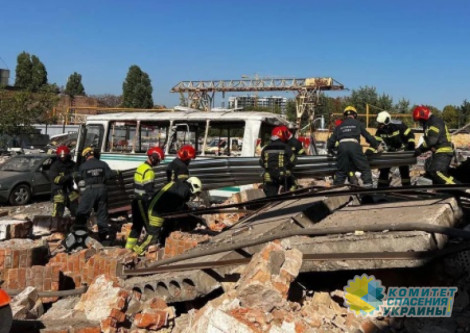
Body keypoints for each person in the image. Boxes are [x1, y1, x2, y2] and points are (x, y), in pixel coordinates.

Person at [132, 177, 203, 255]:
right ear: (194, 186)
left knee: (167, 225)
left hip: (154, 207)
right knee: (152, 235)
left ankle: (162, 242)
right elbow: (178, 204)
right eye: (194, 193)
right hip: (157, 211)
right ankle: (137, 252)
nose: (192, 195)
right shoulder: (185, 190)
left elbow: (173, 201)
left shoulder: (177, 184)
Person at [73, 147, 119, 246]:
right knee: (102, 214)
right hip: (102, 190)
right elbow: (110, 175)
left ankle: (78, 235)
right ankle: (104, 238)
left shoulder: (83, 166)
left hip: (90, 191)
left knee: (82, 212)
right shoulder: (103, 164)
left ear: (86, 156)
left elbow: (78, 178)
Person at [327, 106, 379, 187]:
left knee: (341, 172)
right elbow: (368, 136)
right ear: (355, 115)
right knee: (365, 168)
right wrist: (376, 145)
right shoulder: (358, 123)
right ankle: (368, 193)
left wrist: (330, 150)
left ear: (345, 115)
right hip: (354, 147)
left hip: (342, 147)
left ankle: (335, 193)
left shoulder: (339, 126)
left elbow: (331, 142)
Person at [125, 147, 164, 251]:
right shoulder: (149, 171)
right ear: (154, 158)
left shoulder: (140, 167)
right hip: (142, 202)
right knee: (149, 228)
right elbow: (149, 191)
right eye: (159, 160)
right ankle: (140, 250)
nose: (158, 162)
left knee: (136, 226)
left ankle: (128, 249)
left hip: (136, 201)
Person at [412, 105, 458, 185]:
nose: (420, 122)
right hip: (439, 152)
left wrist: (419, 149)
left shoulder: (434, 122)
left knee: (436, 172)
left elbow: (431, 141)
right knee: (435, 173)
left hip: (443, 152)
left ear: (424, 115)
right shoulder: (430, 123)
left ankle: (463, 189)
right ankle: (444, 191)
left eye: (420, 120)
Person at [375, 111, 415, 187]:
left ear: (386, 121)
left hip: (402, 150)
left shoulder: (399, 125)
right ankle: (381, 188)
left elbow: (410, 135)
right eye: (379, 124)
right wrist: (375, 149)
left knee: (404, 170)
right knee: (384, 169)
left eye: (381, 124)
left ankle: (406, 188)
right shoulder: (380, 130)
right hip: (390, 151)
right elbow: (376, 142)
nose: (379, 126)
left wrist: (410, 146)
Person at [259, 126, 297, 197]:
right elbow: (293, 160)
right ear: (281, 135)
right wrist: (287, 168)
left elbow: (261, 162)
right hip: (283, 175)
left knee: (271, 198)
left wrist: (269, 168)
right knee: (293, 185)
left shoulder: (266, 148)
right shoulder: (286, 147)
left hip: (269, 176)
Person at [49, 145, 79, 219]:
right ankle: (55, 226)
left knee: (76, 210)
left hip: (70, 190)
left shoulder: (72, 164)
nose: (63, 157)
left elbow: (77, 174)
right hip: (59, 190)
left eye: (65, 155)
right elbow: (55, 179)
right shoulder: (55, 166)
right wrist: (68, 177)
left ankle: (76, 225)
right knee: (57, 212)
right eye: (61, 156)